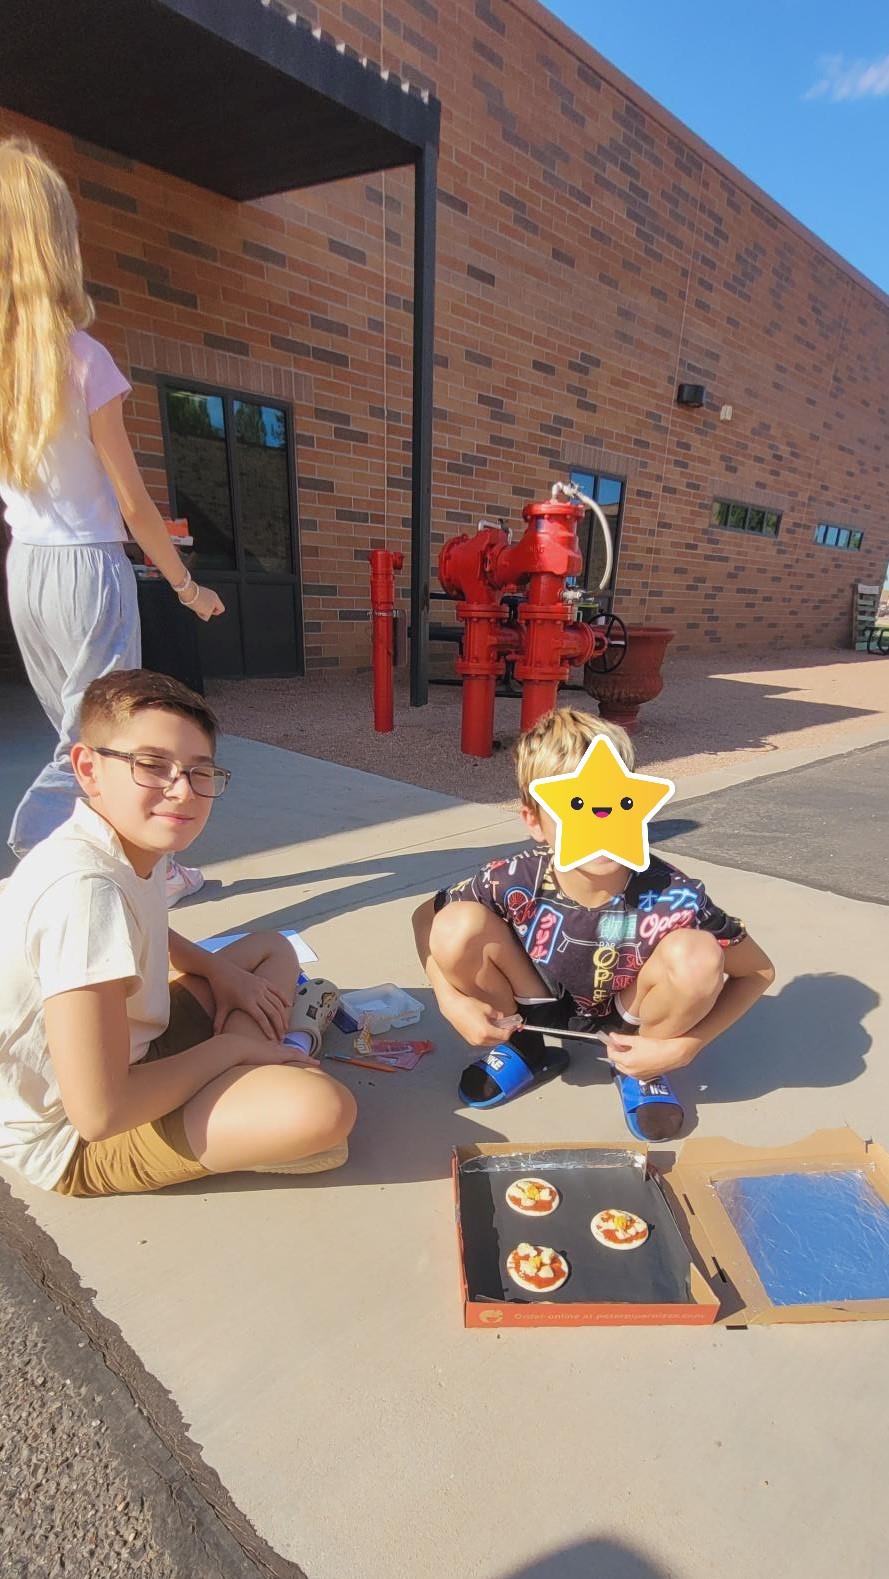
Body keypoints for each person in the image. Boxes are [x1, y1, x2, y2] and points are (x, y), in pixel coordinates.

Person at [0, 669, 356, 1196]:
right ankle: (251, 1083)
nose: (182, 790)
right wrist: (233, 1049)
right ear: (88, 768)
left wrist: (216, 970)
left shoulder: (115, 846)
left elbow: (150, 930)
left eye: (199, 771)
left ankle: (244, 1085)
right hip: (76, 1137)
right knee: (324, 1111)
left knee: (268, 949)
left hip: (137, 1046)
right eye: (151, 765)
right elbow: (100, 1113)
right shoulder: (84, 891)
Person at [0, 136, 223, 904]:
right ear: (53, 241)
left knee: (90, 729)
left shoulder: (8, 366)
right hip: (89, 569)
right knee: (102, 740)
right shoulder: (81, 358)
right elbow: (132, 503)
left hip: (25, 568)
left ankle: (147, 870)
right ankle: (41, 867)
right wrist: (187, 588)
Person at [413, 707, 774, 1124]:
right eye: (575, 807)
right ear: (535, 822)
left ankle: (641, 1066)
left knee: (698, 954)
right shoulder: (511, 878)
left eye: (616, 804)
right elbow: (426, 918)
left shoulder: (674, 895)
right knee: (456, 926)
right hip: (533, 1000)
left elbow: (757, 971)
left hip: (631, 1010)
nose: (598, 822)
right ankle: (521, 1047)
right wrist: (450, 1001)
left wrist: (687, 1044)